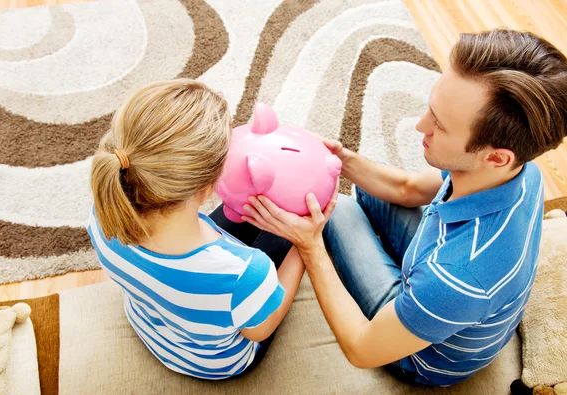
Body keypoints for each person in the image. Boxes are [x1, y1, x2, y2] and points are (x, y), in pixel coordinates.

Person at [242, 29, 567, 386]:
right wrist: (344, 160)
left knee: (338, 210)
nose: (420, 126)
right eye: (432, 108)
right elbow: (407, 188)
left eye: (440, 126)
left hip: (419, 356)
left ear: (495, 157)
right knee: (369, 192)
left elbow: (361, 349)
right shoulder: (519, 171)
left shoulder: (459, 278)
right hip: (442, 284)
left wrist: (310, 246)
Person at [87, 79, 305, 380]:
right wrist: (305, 246)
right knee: (288, 232)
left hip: (148, 322)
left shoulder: (103, 212)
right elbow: (261, 330)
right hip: (215, 363)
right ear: (207, 187)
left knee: (257, 219)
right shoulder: (247, 273)